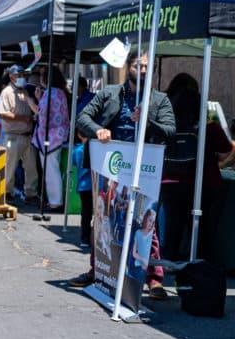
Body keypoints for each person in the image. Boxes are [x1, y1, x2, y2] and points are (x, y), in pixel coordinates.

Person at [68, 51, 176, 298]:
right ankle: (99, 270)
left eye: (148, 66)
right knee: (104, 218)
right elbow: (82, 117)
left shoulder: (160, 100)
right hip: (111, 168)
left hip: (144, 169)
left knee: (147, 221)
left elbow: (170, 131)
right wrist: (98, 131)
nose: (144, 70)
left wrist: (148, 122)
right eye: (139, 65)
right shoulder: (109, 94)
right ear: (129, 67)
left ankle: (153, 279)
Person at [159, 73, 235, 264]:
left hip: (170, 181)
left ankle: (169, 260)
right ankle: (198, 262)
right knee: (200, 227)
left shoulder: (168, 126)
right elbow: (226, 149)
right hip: (204, 183)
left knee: (172, 225)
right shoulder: (208, 127)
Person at [30, 66, 70, 212]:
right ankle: (55, 200)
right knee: (54, 168)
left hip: (49, 137)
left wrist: (30, 100)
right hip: (58, 136)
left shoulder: (49, 93)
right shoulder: (60, 93)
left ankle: (55, 201)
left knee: (50, 170)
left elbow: (41, 113)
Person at [0, 65, 38, 205]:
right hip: (13, 135)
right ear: (11, 76)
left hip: (27, 135)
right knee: (10, 166)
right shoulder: (7, 92)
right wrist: (23, 118)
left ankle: (30, 194)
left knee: (31, 167)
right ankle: (7, 193)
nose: (22, 77)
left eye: (23, 75)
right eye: (19, 75)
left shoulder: (25, 91)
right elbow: (2, 113)